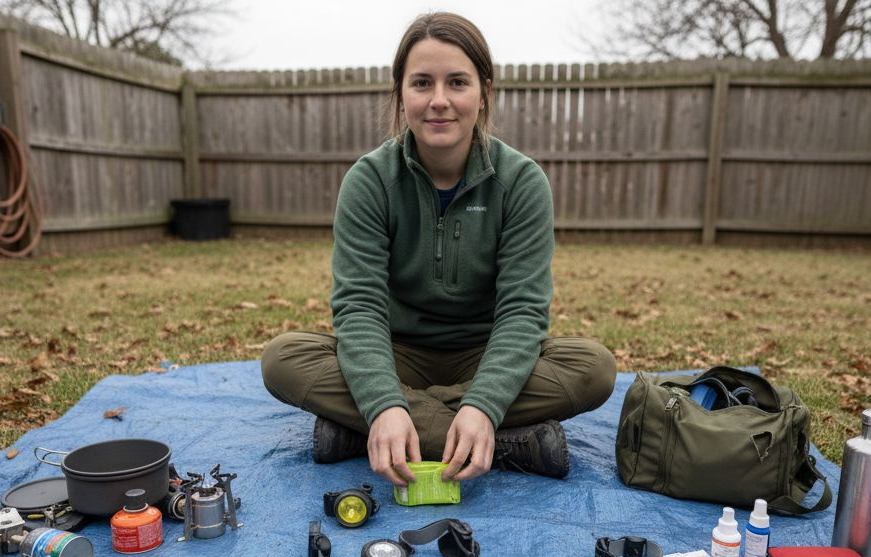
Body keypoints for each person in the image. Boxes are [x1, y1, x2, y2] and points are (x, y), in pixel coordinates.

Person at [261, 11, 616, 487]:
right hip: (396, 351)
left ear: (484, 91)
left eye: (458, 83)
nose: (439, 101)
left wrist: (484, 401)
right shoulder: (369, 181)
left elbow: (523, 313)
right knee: (283, 359)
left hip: (483, 353)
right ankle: (504, 440)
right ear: (401, 93)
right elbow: (360, 307)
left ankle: (364, 432)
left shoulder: (522, 182)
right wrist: (385, 400)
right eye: (422, 83)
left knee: (593, 369)